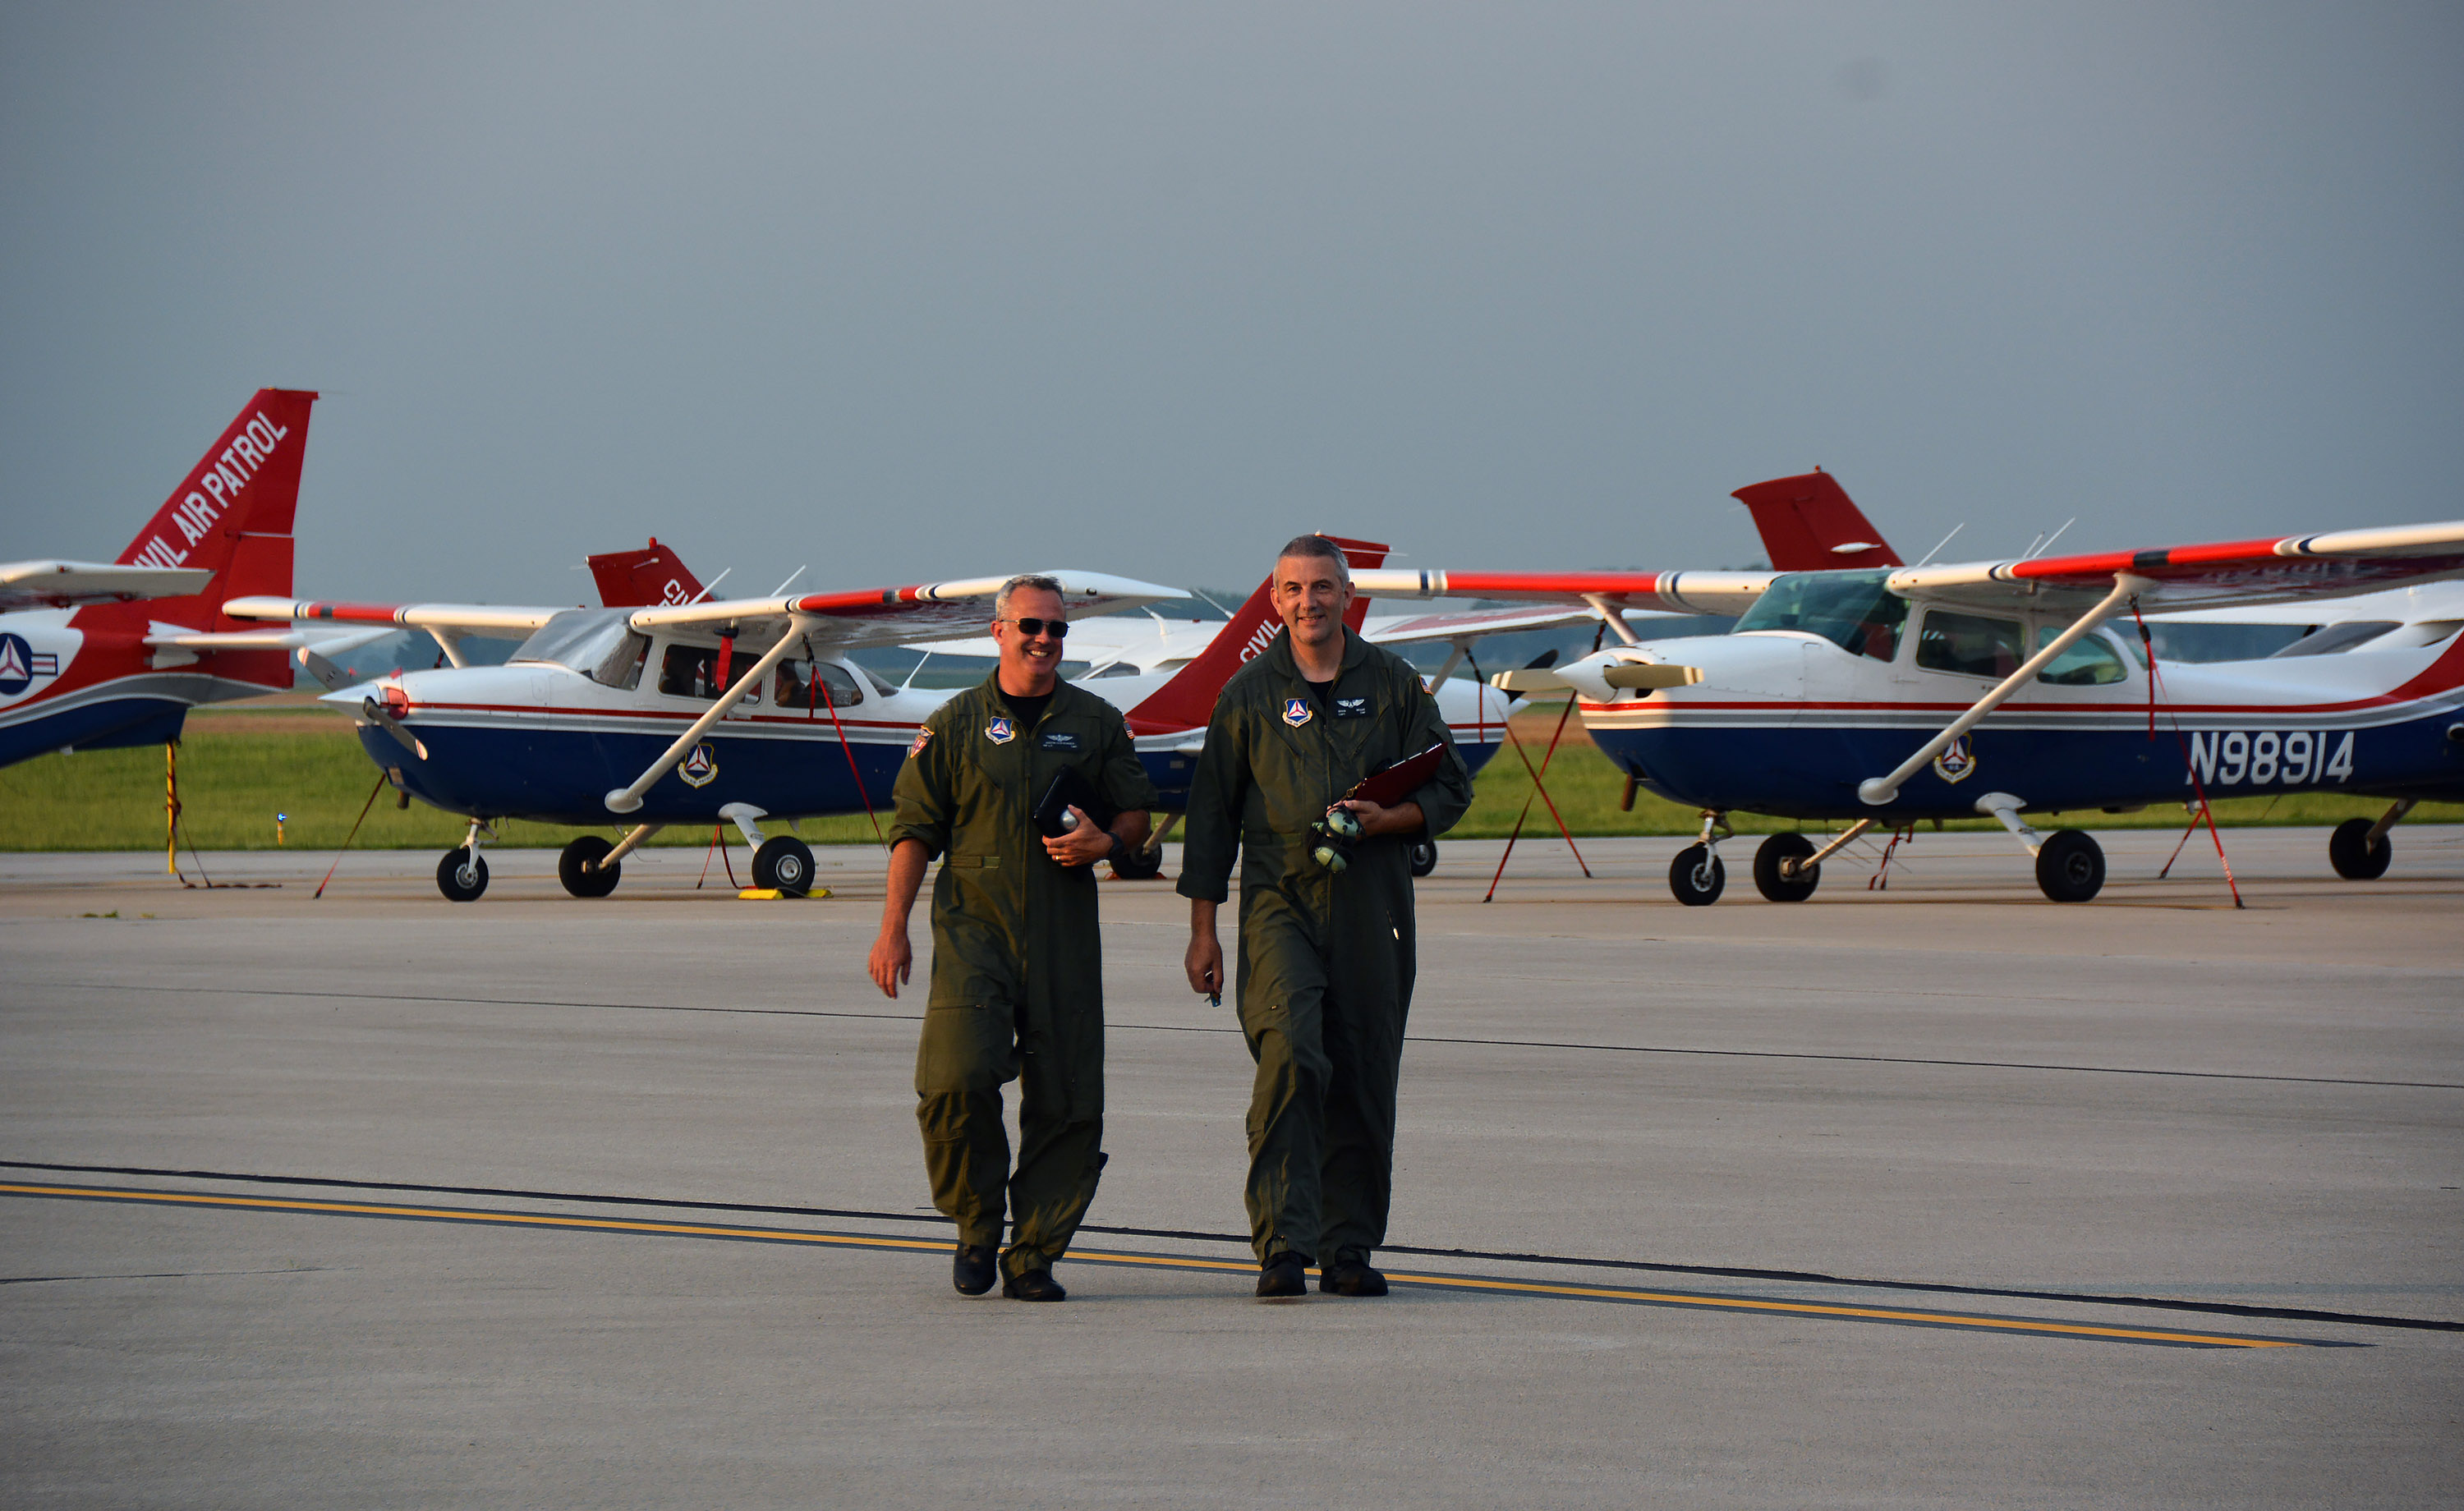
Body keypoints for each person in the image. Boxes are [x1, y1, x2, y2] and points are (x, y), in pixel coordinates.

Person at [1178, 535, 1473, 1299]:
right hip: (1281, 903)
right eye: (1293, 589)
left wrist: (1392, 818)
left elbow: (1452, 787)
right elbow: (1211, 819)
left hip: (1374, 908)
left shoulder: (1396, 683)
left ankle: (1348, 1247)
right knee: (1292, 1056)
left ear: (1347, 595)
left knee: (1365, 1074)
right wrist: (1203, 930)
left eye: (1322, 587)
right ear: (1275, 601)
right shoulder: (1248, 694)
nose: (1308, 602)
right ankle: (1282, 1242)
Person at [868, 574, 1157, 1302]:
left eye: (1057, 629)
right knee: (954, 1080)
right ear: (998, 632)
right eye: (1031, 626)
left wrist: (1105, 843)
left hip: (1062, 934)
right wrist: (892, 929)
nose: (1044, 641)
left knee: (1066, 1099)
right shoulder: (956, 723)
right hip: (975, 930)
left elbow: (1134, 816)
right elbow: (913, 832)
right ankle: (975, 1223)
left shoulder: (1094, 721)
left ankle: (1033, 1254)